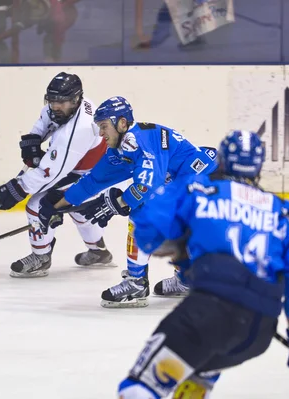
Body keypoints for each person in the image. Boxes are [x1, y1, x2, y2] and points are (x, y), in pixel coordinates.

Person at [116, 130, 289, 399]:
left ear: (223, 161)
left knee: (139, 389)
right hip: (258, 332)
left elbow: (148, 230)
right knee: (197, 373)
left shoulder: (200, 189)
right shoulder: (285, 213)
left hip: (207, 315)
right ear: (258, 167)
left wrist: (183, 251)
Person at [38, 96, 218, 307]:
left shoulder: (138, 140)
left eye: (104, 126)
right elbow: (94, 181)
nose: (101, 133)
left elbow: (147, 186)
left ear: (122, 123)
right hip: (192, 181)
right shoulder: (121, 147)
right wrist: (57, 204)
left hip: (207, 184)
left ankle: (137, 283)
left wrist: (117, 203)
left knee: (143, 214)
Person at [0, 72, 110, 278]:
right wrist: (34, 140)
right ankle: (99, 252)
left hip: (92, 175)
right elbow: (46, 118)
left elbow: (51, 173)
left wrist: (17, 188)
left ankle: (41, 257)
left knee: (38, 205)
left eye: (60, 102)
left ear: (75, 99)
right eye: (52, 100)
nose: (55, 106)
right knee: (78, 211)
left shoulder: (79, 129)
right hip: (78, 167)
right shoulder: (68, 107)